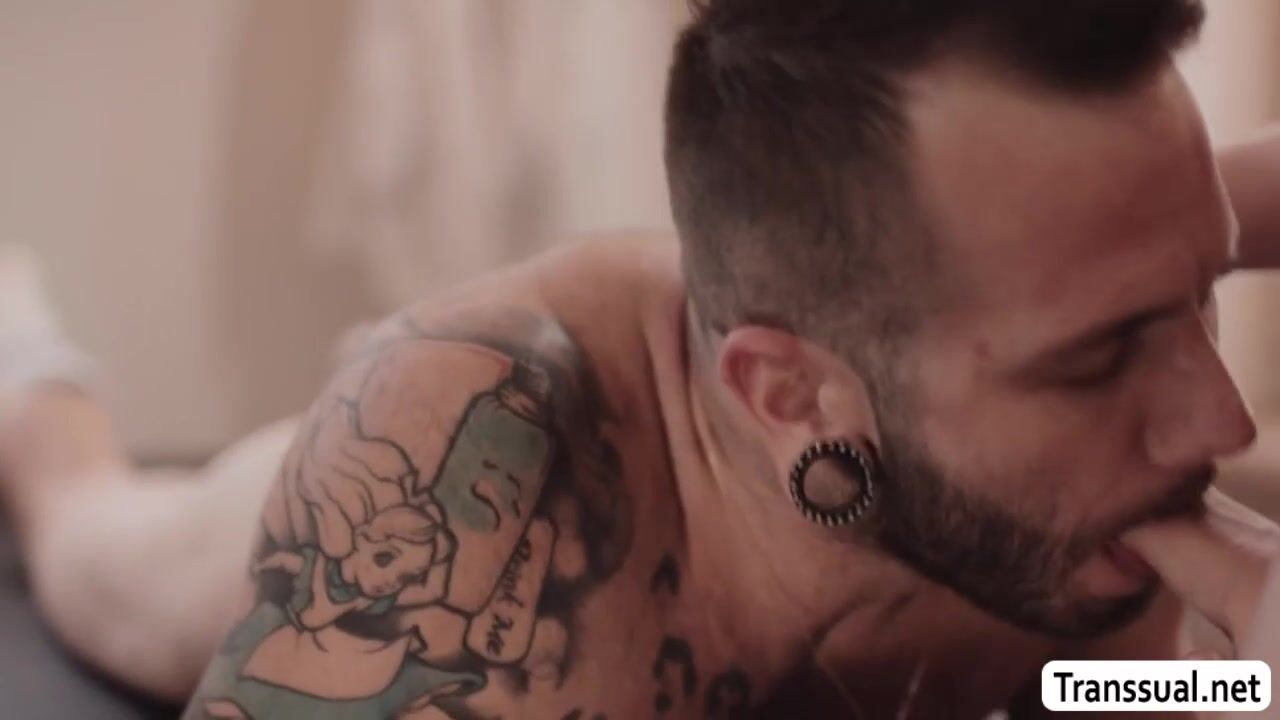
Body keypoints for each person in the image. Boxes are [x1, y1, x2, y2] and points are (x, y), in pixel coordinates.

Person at [3, 0, 1280, 717]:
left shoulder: (1064, 448)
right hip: (311, 492)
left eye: (1198, 291)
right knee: (78, 517)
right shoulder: (490, 552)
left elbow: (1111, 697)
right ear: (793, 397)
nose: (1219, 423)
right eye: (1094, 358)